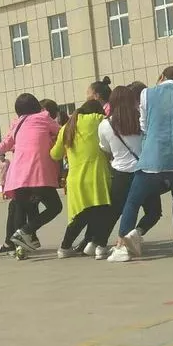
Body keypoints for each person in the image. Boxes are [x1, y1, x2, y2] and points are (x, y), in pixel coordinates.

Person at [108, 66, 173, 262]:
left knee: (133, 201)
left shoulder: (147, 94)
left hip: (152, 159)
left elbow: (143, 125)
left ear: (162, 76)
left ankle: (122, 246)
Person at [0, 92, 63, 252]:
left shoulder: (17, 123)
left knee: (20, 207)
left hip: (18, 175)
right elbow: (62, 132)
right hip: (38, 172)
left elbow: (4, 145)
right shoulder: (43, 118)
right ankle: (26, 231)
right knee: (55, 207)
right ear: (37, 106)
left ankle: (20, 249)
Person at [97, 86, 163, 252]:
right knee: (153, 212)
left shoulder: (105, 124)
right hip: (143, 171)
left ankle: (99, 245)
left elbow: (105, 147)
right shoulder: (142, 120)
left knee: (115, 212)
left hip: (120, 173)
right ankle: (136, 234)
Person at [51, 100, 111, 259]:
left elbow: (55, 154)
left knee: (81, 215)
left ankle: (68, 246)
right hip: (97, 175)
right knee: (101, 211)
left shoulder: (66, 128)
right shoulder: (98, 119)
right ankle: (88, 244)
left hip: (75, 179)